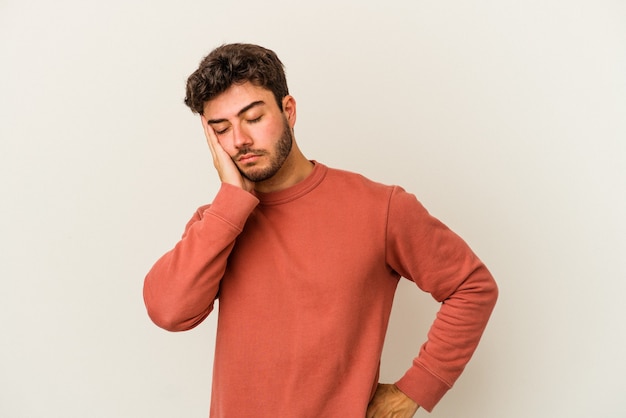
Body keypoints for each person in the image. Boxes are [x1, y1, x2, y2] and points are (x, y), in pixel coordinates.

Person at [143, 43, 498, 418]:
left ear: (288, 111)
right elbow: (168, 311)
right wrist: (230, 201)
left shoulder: (380, 208)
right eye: (222, 129)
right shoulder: (219, 223)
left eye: (252, 118)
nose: (239, 140)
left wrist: (416, 388)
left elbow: (471, 286)